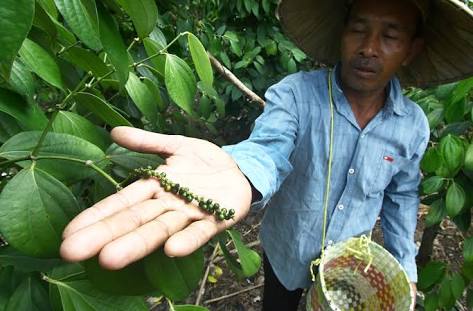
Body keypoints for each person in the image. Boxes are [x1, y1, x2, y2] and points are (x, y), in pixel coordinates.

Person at [60, 0, 473, 310]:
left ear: (412, 49)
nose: (369, 47)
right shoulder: (296, 96)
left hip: (349, 271)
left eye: (390, 36)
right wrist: (241, 172)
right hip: (287, 256)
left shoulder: (412, 125)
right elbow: (268, 150)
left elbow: (401, 197)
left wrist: (406, 267)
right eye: (358, 30)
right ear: (341, 34)